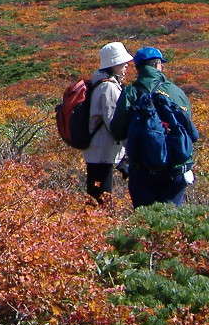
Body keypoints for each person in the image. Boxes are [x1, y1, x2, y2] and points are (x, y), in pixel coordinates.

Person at [110, 47, 195, 208]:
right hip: (175, 168)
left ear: (138, 67)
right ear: (158, 65)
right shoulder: (177, 92)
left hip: (143, 169)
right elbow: (189, 129)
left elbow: (117, 130)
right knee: (170, 225)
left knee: (144, 220)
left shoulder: (130, 92)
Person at [82, 42, 134, 202]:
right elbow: (114, 123)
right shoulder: (108, 88)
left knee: (96, 194)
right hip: (102, 152)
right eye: (123, 63)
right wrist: (129, 147)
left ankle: (93, 223)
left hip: (98, 150)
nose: (126, 66)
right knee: (100, 197)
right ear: (114, 64)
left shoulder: (101, 84)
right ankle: (98, 225)